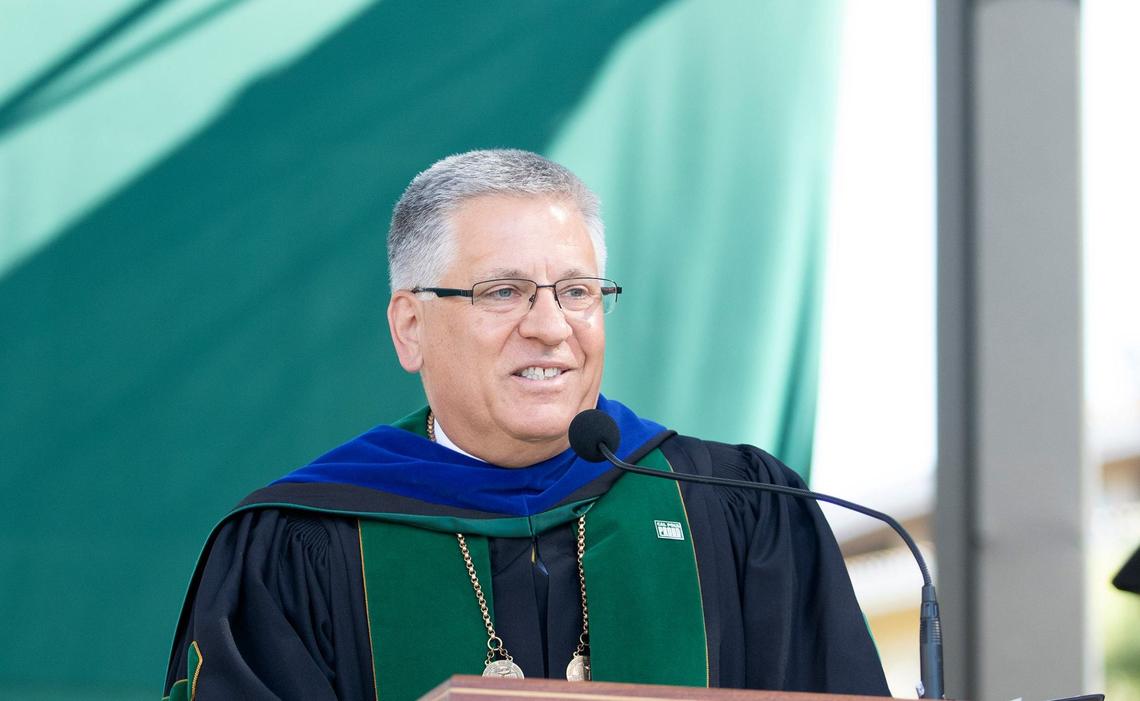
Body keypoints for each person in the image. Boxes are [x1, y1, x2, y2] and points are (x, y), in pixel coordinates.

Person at [163, 149, 890, 700]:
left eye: (576, 291)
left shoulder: (738, 509)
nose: (550, 326)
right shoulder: (301, 541)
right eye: (503, 292)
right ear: (411, 327)